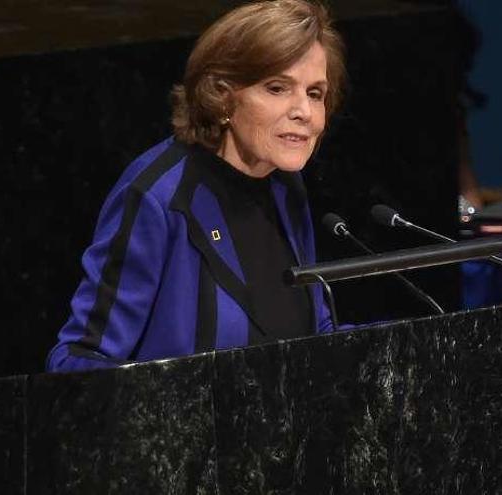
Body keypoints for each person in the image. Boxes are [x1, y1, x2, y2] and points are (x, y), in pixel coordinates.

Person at [46, 0, 347, 372]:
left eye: (315, 93)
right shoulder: (158, 196)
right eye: (277, 88)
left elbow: (312, 332)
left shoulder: (285, 187)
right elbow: (77, 358)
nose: (303, 111)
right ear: (222, 96)